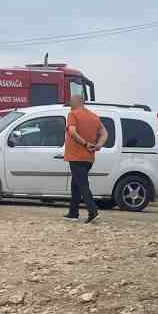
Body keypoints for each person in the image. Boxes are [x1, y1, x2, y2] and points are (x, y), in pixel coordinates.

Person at [64, 92, 107, 222]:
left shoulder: (73, 114)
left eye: (71, 101)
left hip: (76, 156)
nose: (69, 103)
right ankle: (73, 213)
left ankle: (93, 212)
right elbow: (104, 132)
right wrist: (99, 145)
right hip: (89, 158)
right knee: (75, 184)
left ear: (77, 102)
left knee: (82, 185)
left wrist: (85, 143)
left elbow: (72, 131)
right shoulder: (94, 116)